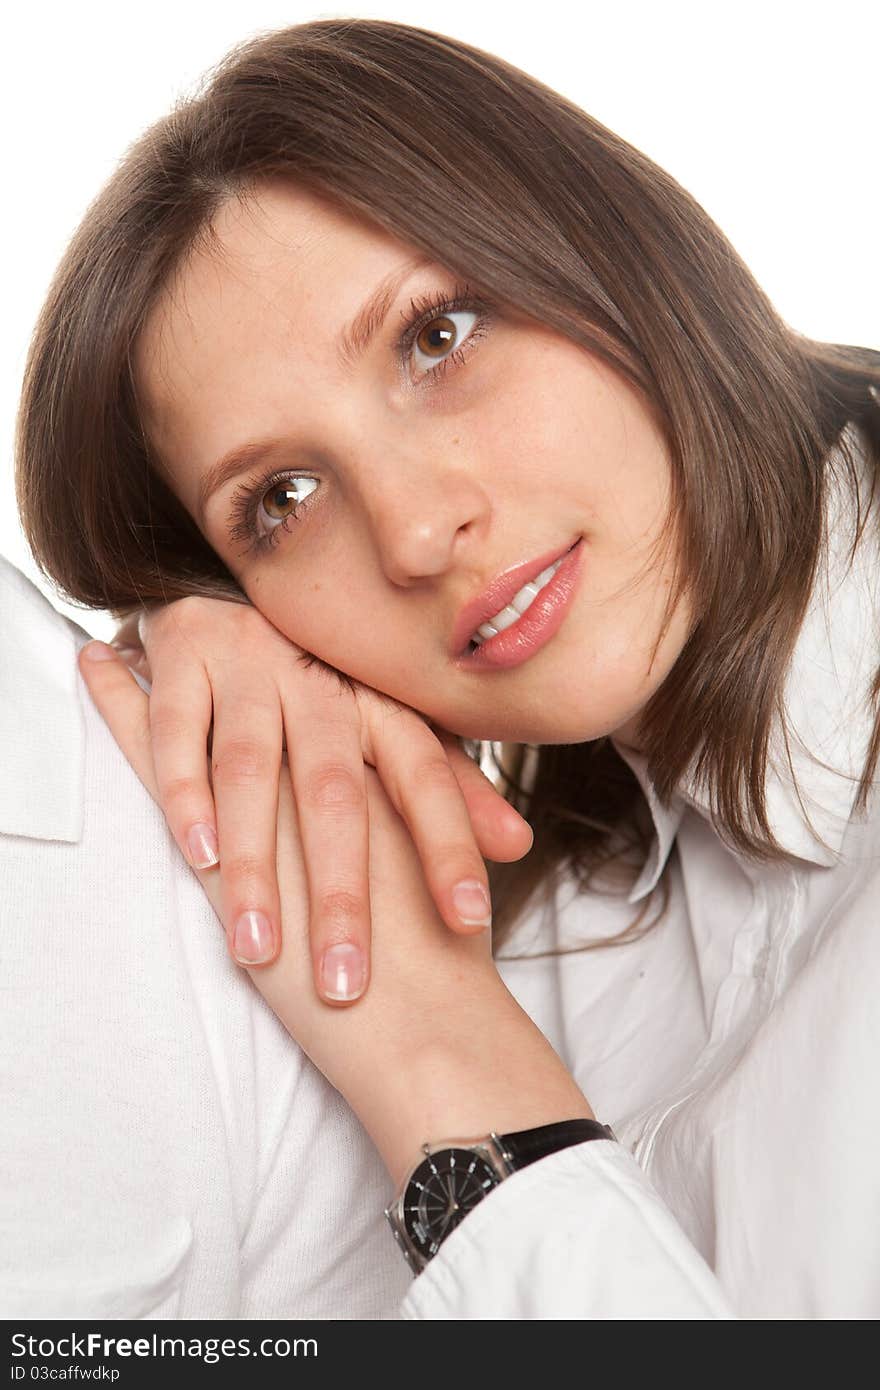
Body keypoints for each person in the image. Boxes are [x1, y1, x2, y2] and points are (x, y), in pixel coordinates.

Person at [14, 17, 880, 1318]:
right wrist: (210, 661)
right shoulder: (527, 893)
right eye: (282, 497)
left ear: (607, 233)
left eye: (438, 336)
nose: (418, 534)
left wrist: (458, 1094)